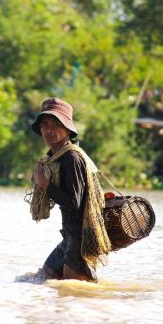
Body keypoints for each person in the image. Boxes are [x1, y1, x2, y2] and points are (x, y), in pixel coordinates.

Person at [28, 97, 111, 282]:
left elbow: (74, 203)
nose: (49, 130)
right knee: (44, 278)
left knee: (74, 290)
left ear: (67, 129)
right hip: (70, 237)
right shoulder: (55, 158)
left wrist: (45, 185)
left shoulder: (71, 158)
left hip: (82, 238)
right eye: (45, 124)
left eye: (56, 124)